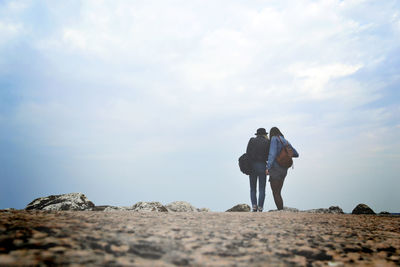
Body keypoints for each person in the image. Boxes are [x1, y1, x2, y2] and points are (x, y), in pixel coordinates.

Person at [266, 127, 299, 210]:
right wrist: (285, 155)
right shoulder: (285, 141)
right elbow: (296, 154)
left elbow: (272, 154)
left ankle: (280, 211)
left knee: (275, 192)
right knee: (278, 192)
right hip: (284, 169)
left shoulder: (274, 139)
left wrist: (268, 167)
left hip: (275, 169)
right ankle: (281, 210)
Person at [246, 128, 270, 212]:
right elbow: (268, 155)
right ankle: (260, 207)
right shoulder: (267, 142)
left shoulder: (252, 140)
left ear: (257, 134)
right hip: (262, 165)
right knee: (262, 189)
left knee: (252, 188)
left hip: (252, 166)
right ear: (265, 134)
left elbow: (247, 153)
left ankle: (254, 206)